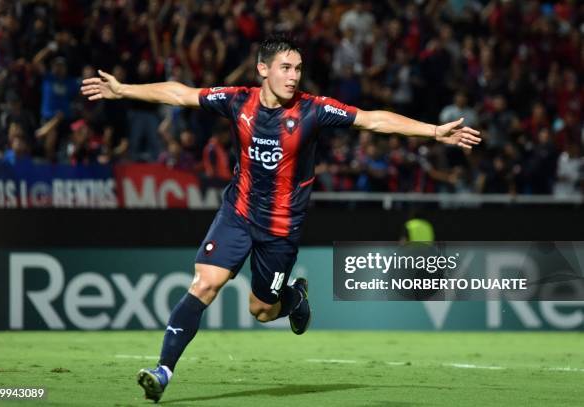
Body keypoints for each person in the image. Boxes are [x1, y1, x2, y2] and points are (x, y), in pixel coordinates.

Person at [81, 35, 481, 403]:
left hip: (280, 229)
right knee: (205, 283)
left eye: (298, 68)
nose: (293, 76)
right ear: (263, 69)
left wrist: (433, 132)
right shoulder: (237, 101)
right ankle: (163, 371)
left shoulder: (313, 110)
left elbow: (372, 119)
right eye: (285, 68)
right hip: (236, 213)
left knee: (262, 310)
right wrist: (123, 89)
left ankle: (294, 296)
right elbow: (181, 94)